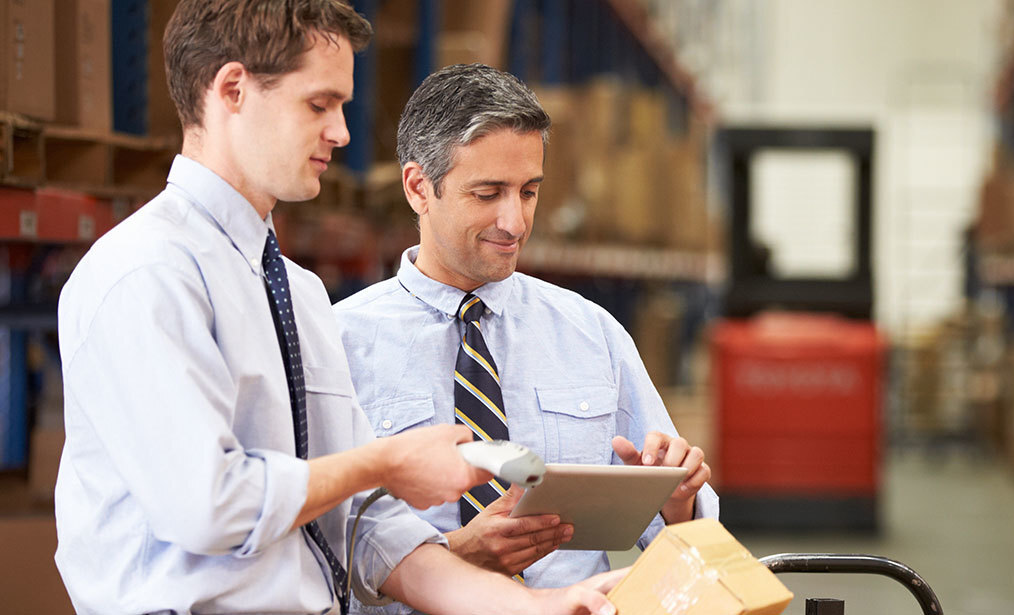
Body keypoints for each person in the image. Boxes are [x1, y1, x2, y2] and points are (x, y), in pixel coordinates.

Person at [53, 2, 621, 613]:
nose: (342, 132)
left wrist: (548, 606)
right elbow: (207, 506)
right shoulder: (146, 275)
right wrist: (385, 461)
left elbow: (367, 527)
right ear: (234, 90)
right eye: (319, 104)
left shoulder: (295, 293)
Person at [333, 63, 719, 599]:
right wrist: (453, 557)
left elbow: (690, 551)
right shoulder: (338, 345)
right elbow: (313, 552)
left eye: (529, 191)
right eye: (488, 194)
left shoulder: (592, 333)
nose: (514, 222)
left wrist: (678, 506)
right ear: (420, 187)